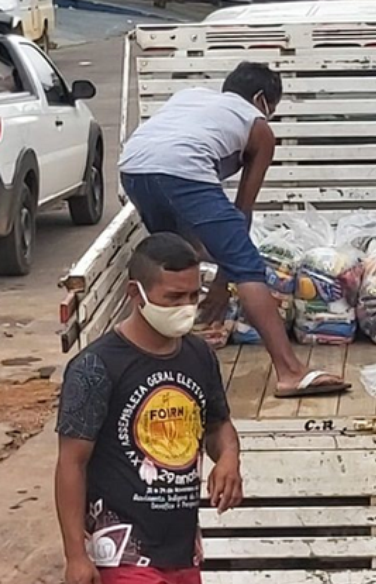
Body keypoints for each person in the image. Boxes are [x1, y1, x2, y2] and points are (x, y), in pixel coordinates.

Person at [55, 233, 243, 584]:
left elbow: (218, 424)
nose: (185, 308)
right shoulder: (96, 368)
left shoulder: (198, 356)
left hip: (181, 544)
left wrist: (228, 460)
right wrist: (76, 555)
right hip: (123, 549)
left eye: (192, 296)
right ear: (135, 295)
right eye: (172, 298)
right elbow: (71, 462)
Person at [118, 61, 349, 398]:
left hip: (133, 168)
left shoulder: (191, 98)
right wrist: (226, 284)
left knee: (170, 263)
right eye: (273, 108)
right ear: (261, 100)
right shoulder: (258, 126)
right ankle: (290, 371)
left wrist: (214, 277)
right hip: (183, 169)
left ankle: (141, 365)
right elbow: (243, 211)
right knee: (248, 267)